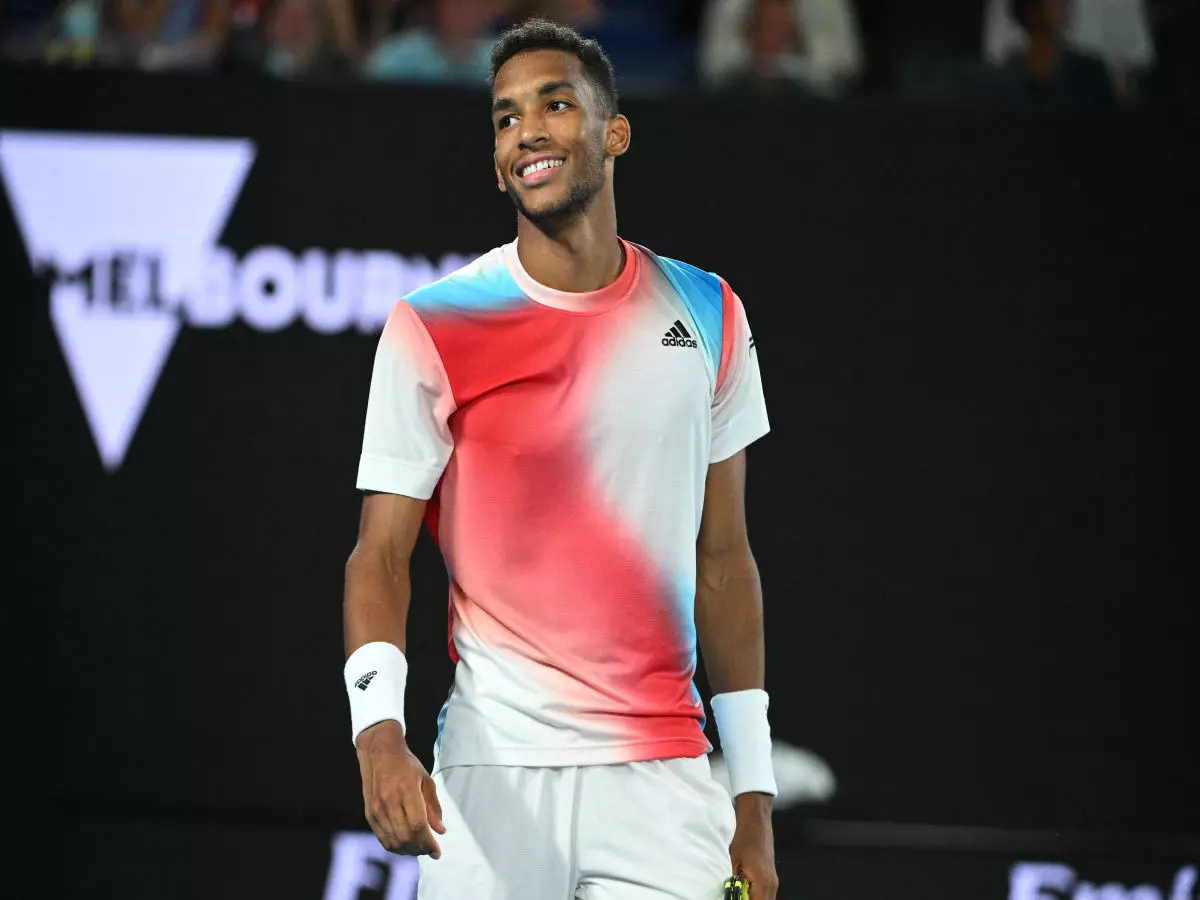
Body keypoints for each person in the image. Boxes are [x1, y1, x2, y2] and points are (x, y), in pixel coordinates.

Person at [342, 16, 780, 900]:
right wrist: (378, 735)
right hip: (490, 778)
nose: (527, 132)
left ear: (613, 132)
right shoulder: (434, 325)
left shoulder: (710, 314)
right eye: (505, 118)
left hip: (663, 782)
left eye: (553, 105)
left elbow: (724, 563)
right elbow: (379, 556)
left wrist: (754, 798)